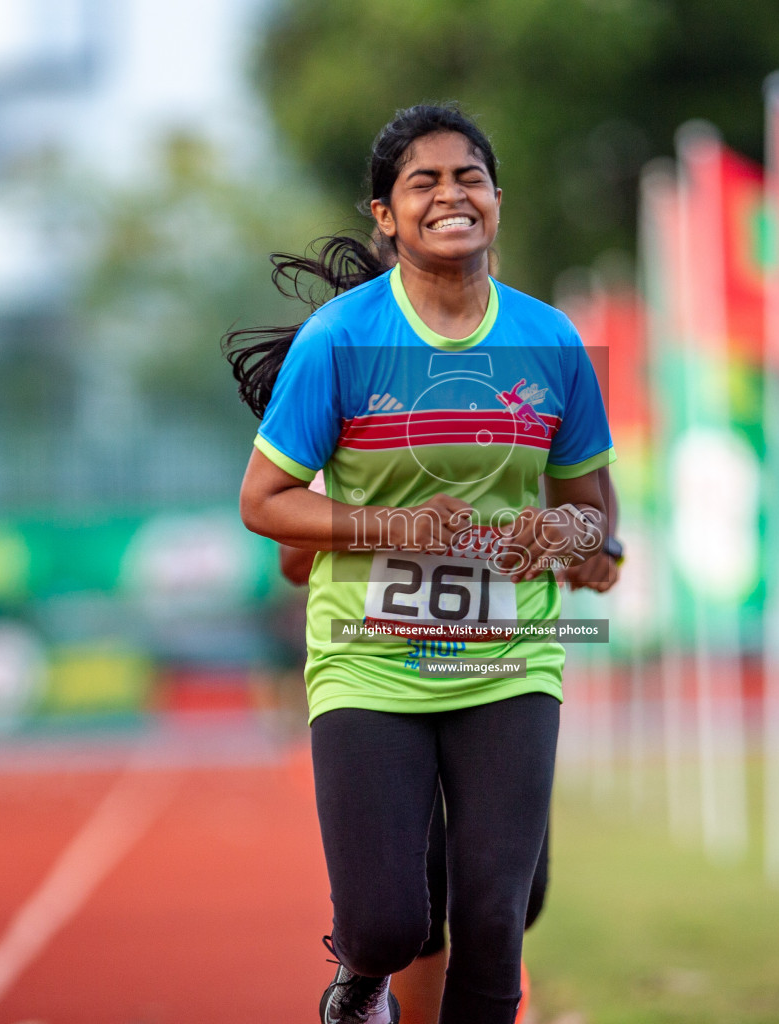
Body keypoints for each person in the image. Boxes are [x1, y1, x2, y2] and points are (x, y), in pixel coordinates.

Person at [227, 103, 615, 1024]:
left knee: (496, 917)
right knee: (388, 921)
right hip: (369, 660)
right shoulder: (342, 341)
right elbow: (263, 502)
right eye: (423, 181)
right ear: (385, 215)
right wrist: (394, 531)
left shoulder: (550, 341)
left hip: (508, 660)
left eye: (469, 176)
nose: (451, 193)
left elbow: (594, 516)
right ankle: (360, 981)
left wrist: (560, 539)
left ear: (496, 201)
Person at [276, 473, 625, 1024]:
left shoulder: (535, 402)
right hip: (389, 672)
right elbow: (293, 562)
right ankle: (373, 984)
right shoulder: (372, 427)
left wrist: (592, 545)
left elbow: (594, 500)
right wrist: (398, 524)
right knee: (413, 905)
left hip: (500, 671)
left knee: (512, 903)